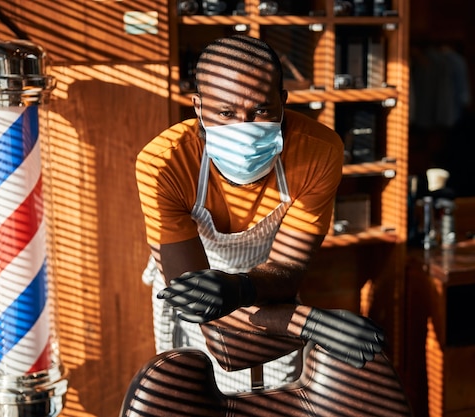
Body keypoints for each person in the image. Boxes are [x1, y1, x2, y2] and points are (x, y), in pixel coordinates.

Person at [136, 35, 384, 392]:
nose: (245, 127)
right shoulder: (164, 163)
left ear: (283, 103)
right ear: (198, 107)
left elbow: (287, 270)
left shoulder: (317, 153)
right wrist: (310, 323)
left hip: (269, 290)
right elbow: (195, 302)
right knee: (194, 398)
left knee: (276, 398)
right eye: (225, 113)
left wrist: (241, 287)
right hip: (193, 295)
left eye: (261, 111)